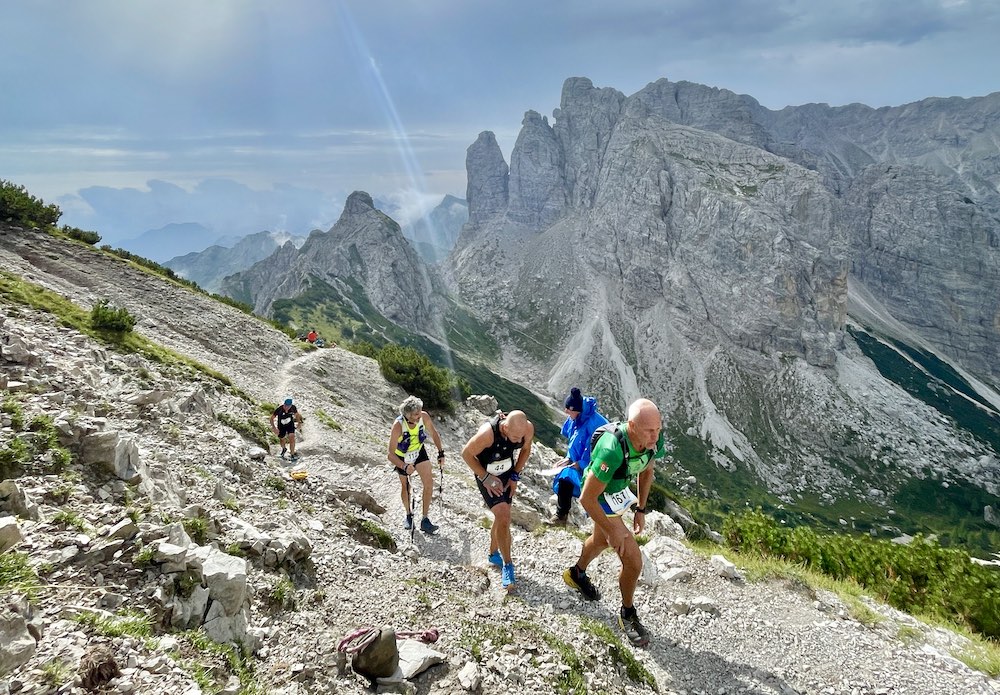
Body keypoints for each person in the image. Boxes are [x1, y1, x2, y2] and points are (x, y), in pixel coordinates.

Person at [562, 398, 665, 647]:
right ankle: (627, 614)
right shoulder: (611, 449)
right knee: (633, 560)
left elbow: (647, 470)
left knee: (599, 542)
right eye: (649, 430)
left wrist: (641, 509)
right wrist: (613, 531)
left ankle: (576, 573)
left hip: (617, 491)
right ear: (632, 426)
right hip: (599, 495)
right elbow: (587, 498)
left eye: (658, 429)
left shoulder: (653, 440)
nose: (655, 436)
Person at [461, 409, 534, 592]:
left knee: (503, 517)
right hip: (486, 474)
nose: (518, 441)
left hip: (506, 473)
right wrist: (486, 477)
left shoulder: (526, 429)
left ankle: (493, 554)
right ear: (505, 427)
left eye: (521, 436)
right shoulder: (487, 434)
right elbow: (466, 454)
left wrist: (515, 475)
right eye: (515, 437)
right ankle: (508, 565)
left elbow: (526, 449)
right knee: (503, 516)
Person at [550, 387, 608, 526]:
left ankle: (600, 524)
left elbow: (598, 451)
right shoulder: (576, 418)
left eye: (568, 409)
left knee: (593, 493)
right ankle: (561, 516)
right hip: (581, 462)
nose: (566, 412)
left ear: (576, 410)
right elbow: (574, 442)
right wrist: (569, 458)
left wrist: (581, 463)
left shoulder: (596, 424)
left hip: (598, 466)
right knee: (566, 476)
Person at [387, 396, 445, 534]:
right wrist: (404, 466)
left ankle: (425, 519)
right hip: (402, 456)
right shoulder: (398, 426)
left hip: (418, 451)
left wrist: (441, 452)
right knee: (406, 486)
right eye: (415, 414)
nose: (419, 416)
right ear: (407, 415)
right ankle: (408, 515)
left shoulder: (424, 416)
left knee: (429, 483)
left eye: (420, 412)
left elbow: (434, 433)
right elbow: (390, 454)